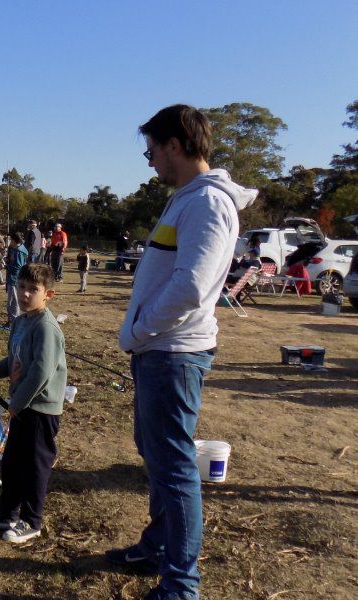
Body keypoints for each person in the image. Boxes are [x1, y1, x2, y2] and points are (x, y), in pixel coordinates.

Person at [113, 105, 257, 600]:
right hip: (159, 350)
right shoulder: (185, 199)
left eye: (151, 150)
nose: (149, 160)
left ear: (174, 144)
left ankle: (180, 585)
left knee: (174, 468)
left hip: (173, 352)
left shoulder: (208, 204)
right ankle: (156, 547)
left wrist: (138, 330)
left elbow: (192, 288)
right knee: (156, 455)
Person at [0, 263, 67, 544]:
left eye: (33, 290)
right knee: (11, 462)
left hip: (40, 409)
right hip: (21, 405)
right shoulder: (21, 322)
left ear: (48, 294)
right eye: (21, 287)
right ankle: (7, 512)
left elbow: (40, 372)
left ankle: (31, 521)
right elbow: (14, 361)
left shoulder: (46, 327)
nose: (25, 294)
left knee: (36, 466)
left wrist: (17, 403)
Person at [5, 231, 29, 323]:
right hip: (14, 278)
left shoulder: (19, 250)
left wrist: (6, 266)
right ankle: (12, 320)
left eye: (11, 239)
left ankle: (13, 322)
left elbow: (18, 266)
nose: (10, 241)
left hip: (15, 278)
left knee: (13, 301)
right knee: (12, 301)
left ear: (14, 240)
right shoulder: (18, 248)